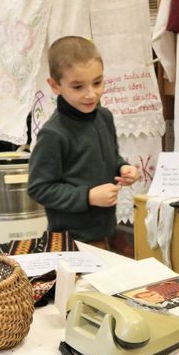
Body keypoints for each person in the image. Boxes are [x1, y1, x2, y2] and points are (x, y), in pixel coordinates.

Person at [28, 36, 139, 246]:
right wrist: (87, 196)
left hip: (104, 233)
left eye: (97, 83)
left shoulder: (104, 117)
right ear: (55, 85)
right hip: (69, 240)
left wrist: (123, 167)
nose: (91, 94)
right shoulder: (53, 133)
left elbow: (109, 156)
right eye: (78, 87)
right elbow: (39, 188)